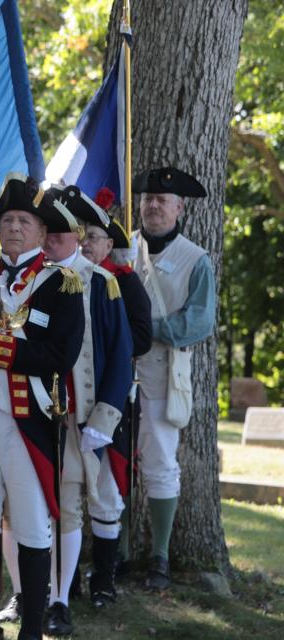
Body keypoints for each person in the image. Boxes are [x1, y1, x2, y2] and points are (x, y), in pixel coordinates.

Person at [0, 173, 85, 640]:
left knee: (33, 523)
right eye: (7, 220)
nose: (14, 227)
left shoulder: (62, 284)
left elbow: (61, 355)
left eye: (24, 220)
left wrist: (2, 351)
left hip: (28, 420)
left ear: (41, 231)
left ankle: (33, 628)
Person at [35, 185, 133, 635]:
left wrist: (105, 420)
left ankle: (59, 599)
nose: (53, 238)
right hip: (30, 415)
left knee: (72, 505)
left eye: (64, 231)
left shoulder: (103, 283)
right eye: (48, 230)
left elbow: (121, 354)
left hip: (80, 416)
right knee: (29, 509)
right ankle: (29, 592)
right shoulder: (26, 279)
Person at [132, 167, 216, 591]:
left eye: (163, 199)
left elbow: (197, 322)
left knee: (161, 463)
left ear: (180, 207)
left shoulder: (195, 259)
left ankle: (159, 556)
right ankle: (116, 552)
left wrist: (141, 330)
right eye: (148, 198)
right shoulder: (120, 248)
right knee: (102, 461)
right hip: (114, 373)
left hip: (163, 374)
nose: (153, 205)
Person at [80, 188, 153, 588]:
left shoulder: (123, 283)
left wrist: (110, 338)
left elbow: (141, 337)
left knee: (106, 488)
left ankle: (105, 579)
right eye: (83, 235)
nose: (87, 243)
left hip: (113, 394)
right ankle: (64, 579)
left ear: (110, 244)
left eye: (94, 237)